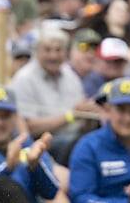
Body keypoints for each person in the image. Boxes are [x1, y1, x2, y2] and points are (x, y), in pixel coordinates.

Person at [9, 26, 98, 158]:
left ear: (65, 53)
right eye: (47, 50)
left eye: (58, 50)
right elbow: (28, 127)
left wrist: (89, 113)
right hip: (41, 145)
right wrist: (70, 116)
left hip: (74, 138)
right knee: (81, 145)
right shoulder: (24, 79)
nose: (53, 55)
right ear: (37, 51)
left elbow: (80, 115)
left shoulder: (70, 76)